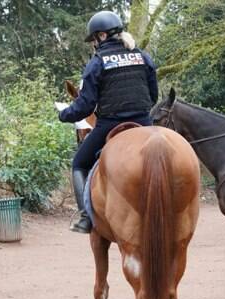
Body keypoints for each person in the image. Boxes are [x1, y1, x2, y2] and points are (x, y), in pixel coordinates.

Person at [58, 10, 158, 233]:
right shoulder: (143, 56)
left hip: (110, 124)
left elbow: (85, 106)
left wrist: (64, 114)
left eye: (93, 39)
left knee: (79, 163)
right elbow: (153, 96)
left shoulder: (97, 62)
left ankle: (85, 216)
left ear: (101, 36)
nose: (93, 44)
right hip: (144, 122)